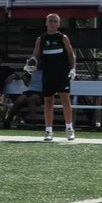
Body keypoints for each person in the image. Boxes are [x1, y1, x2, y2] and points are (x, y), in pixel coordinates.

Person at [33, 14, 76, 142]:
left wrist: (73, 69)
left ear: (58, 24)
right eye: (50, 21)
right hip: (48, 73)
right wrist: (31, 63)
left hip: (62, 73)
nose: (52, 23)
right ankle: (48, 131)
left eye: (55, 21)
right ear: (46, 23)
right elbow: (35, 56)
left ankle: (69, 128)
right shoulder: (41, 39)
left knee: (65, 100)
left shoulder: (63, 38)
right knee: (48, 102)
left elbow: (71, 55)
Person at [4, 59, 44, 129]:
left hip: (42, 93)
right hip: (30, 91)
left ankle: (33, 123)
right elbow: (23, 76)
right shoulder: (32, 72)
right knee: (19, 100)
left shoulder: (48, 72)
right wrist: (23, 77)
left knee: (31, 99)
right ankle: (8, 121)